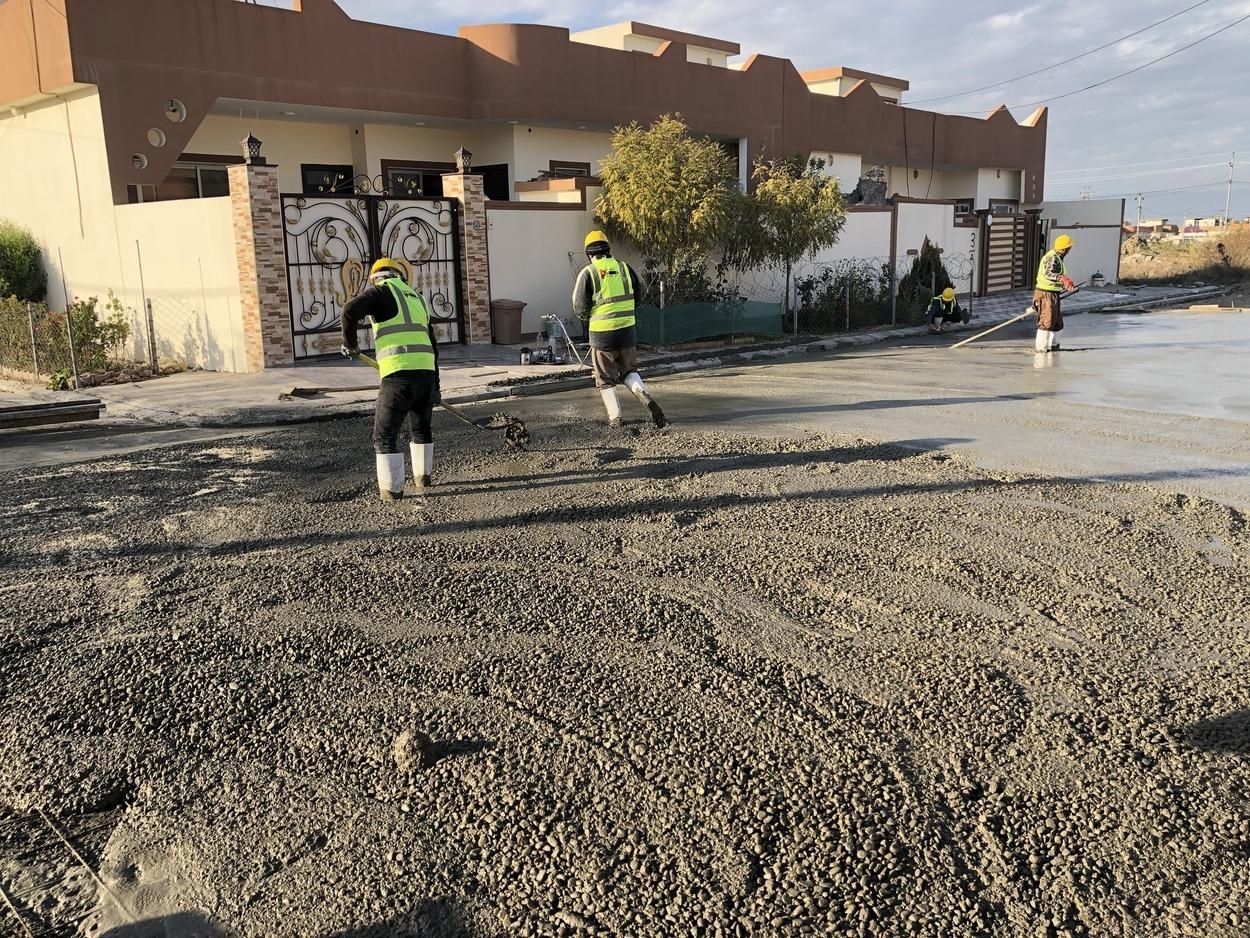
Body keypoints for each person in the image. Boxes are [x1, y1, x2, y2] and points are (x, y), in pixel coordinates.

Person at [340, 257, 440, 501]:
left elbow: (349, 311)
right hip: (426, 375)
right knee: (421, 430)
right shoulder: (417, 298)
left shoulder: (380, 292)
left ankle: (392, 492)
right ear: (400, 276)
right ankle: (423, 478)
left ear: (375, 278)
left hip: (398, 377)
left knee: (384, 436)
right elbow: (432, 343)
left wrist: (350, 345)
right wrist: (436, 386)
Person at [571, 230, 666, 429]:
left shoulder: (588, 273)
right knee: (629, 370)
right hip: (627, 332)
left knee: (605, 378)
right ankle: (643, 395)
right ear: (608, 249)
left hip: (602, 335)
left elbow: (579, 307)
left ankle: (616, 418)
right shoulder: (625, 268)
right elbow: (639, 295)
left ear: (589, 254)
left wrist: (590, 319)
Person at [1034, 234, 1075, 353]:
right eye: (1068, 248)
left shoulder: (1057, 257)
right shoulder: (1052, 258)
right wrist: (1061, 278)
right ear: (1063, 249)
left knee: (1057, 322)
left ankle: (1054, 347)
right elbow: (1048, 273)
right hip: (1045, 294)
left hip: (1053, 294)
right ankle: (1041, 350)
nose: (1069, 251)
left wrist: (1064, 283)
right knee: (1047, 322)